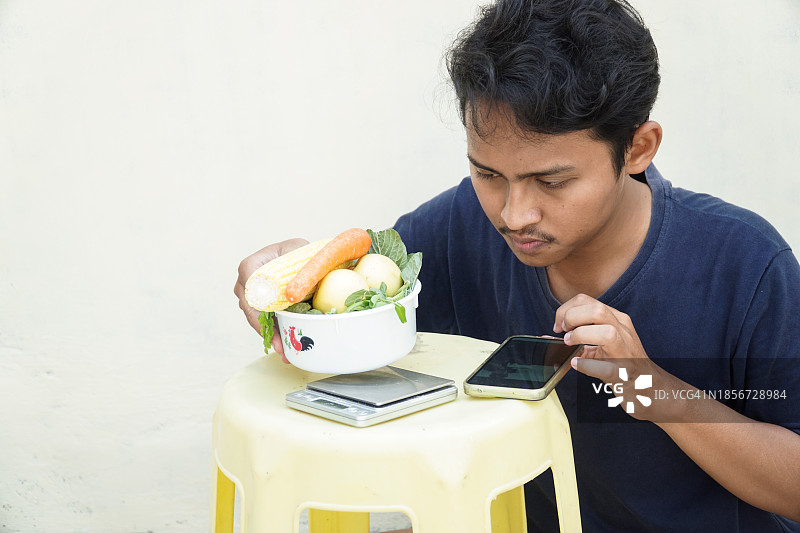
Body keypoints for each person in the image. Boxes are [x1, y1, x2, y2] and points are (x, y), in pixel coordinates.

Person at [234, 0, 800, 530]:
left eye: (552, 182)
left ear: (638, 148)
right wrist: (294, 296)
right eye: (487, 174)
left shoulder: (744, 264)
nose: (514, 214)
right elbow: (356, 305)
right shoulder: (461, 226)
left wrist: (651, 388)